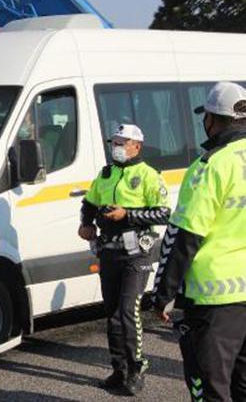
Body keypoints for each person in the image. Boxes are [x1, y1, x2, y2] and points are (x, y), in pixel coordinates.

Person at [152, 81, 246, 402]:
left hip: (214, 300)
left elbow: (184, 235)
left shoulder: (210, 165)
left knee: (211, 390)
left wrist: (162, 294)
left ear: (211, 118)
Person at [78, 124, 170, 396]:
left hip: (136, 253)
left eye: (122, 142)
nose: (116, 146)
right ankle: (119, 370)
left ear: (136, 146)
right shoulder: (106, 173)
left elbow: (164, 213)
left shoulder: (149, 175)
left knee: (128, 310)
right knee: (113, 314)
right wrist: (85, 223)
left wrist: (127, 215)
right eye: (114, 142)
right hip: (108, 251)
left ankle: (136, 368)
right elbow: (89, 202)